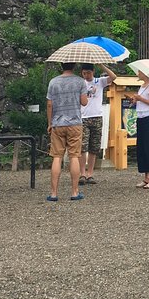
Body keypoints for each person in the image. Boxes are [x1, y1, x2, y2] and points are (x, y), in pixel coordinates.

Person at [46, 62, 88, 201]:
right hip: (75, 123)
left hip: (58, 123)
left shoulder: (53, 82)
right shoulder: (80, 81)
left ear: (61, 65)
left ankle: (53, 193)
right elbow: (84, 102)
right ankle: (74, 192)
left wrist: (50, 123)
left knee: (57, 157)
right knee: (74, 156)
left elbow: (49, 104)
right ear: (74, 66)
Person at [79, 63, 116, 185]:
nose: (86, 75)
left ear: (93, 72)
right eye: (84, 73)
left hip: (96, 116)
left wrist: (102, 66)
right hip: (83, 117)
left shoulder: (99, 81)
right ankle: (82, 173)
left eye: (88, 73)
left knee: (94, 147)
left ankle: (90, 174)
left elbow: (113, 77)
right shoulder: (80, 83)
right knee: (83, 147)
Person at [128, 70, 149, 189]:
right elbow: (141, 100)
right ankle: (147, 176)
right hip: (140, 117)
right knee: (141, 146)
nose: (138, 73)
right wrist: (135, 100)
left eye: (140, 72)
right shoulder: (142, 86)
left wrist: (141, 99)